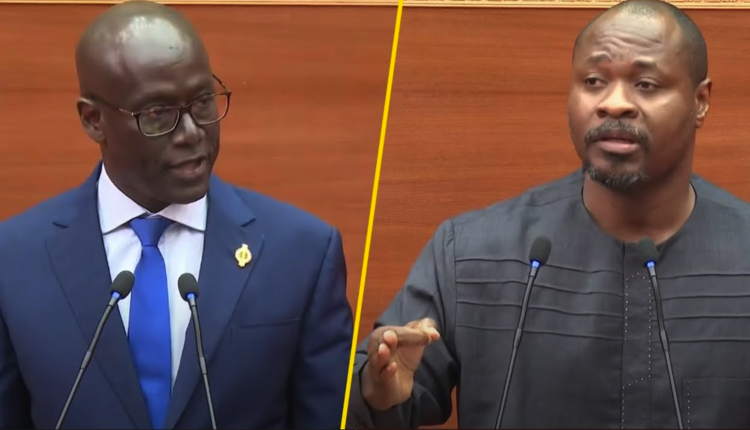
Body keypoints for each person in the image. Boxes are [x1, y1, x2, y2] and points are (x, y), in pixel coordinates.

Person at [347, 0, 750, 428]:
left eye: (646, 84)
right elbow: (374, 394)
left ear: (700, 101)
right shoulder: (472, 255)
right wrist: (375, 391)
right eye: (594, 81)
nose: (614, 103)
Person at [0, 1, 353, 429]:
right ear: (93, 121)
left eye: (203, 101)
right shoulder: (13, 262)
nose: (191, 133)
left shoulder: (301, 254)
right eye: (157, 114)